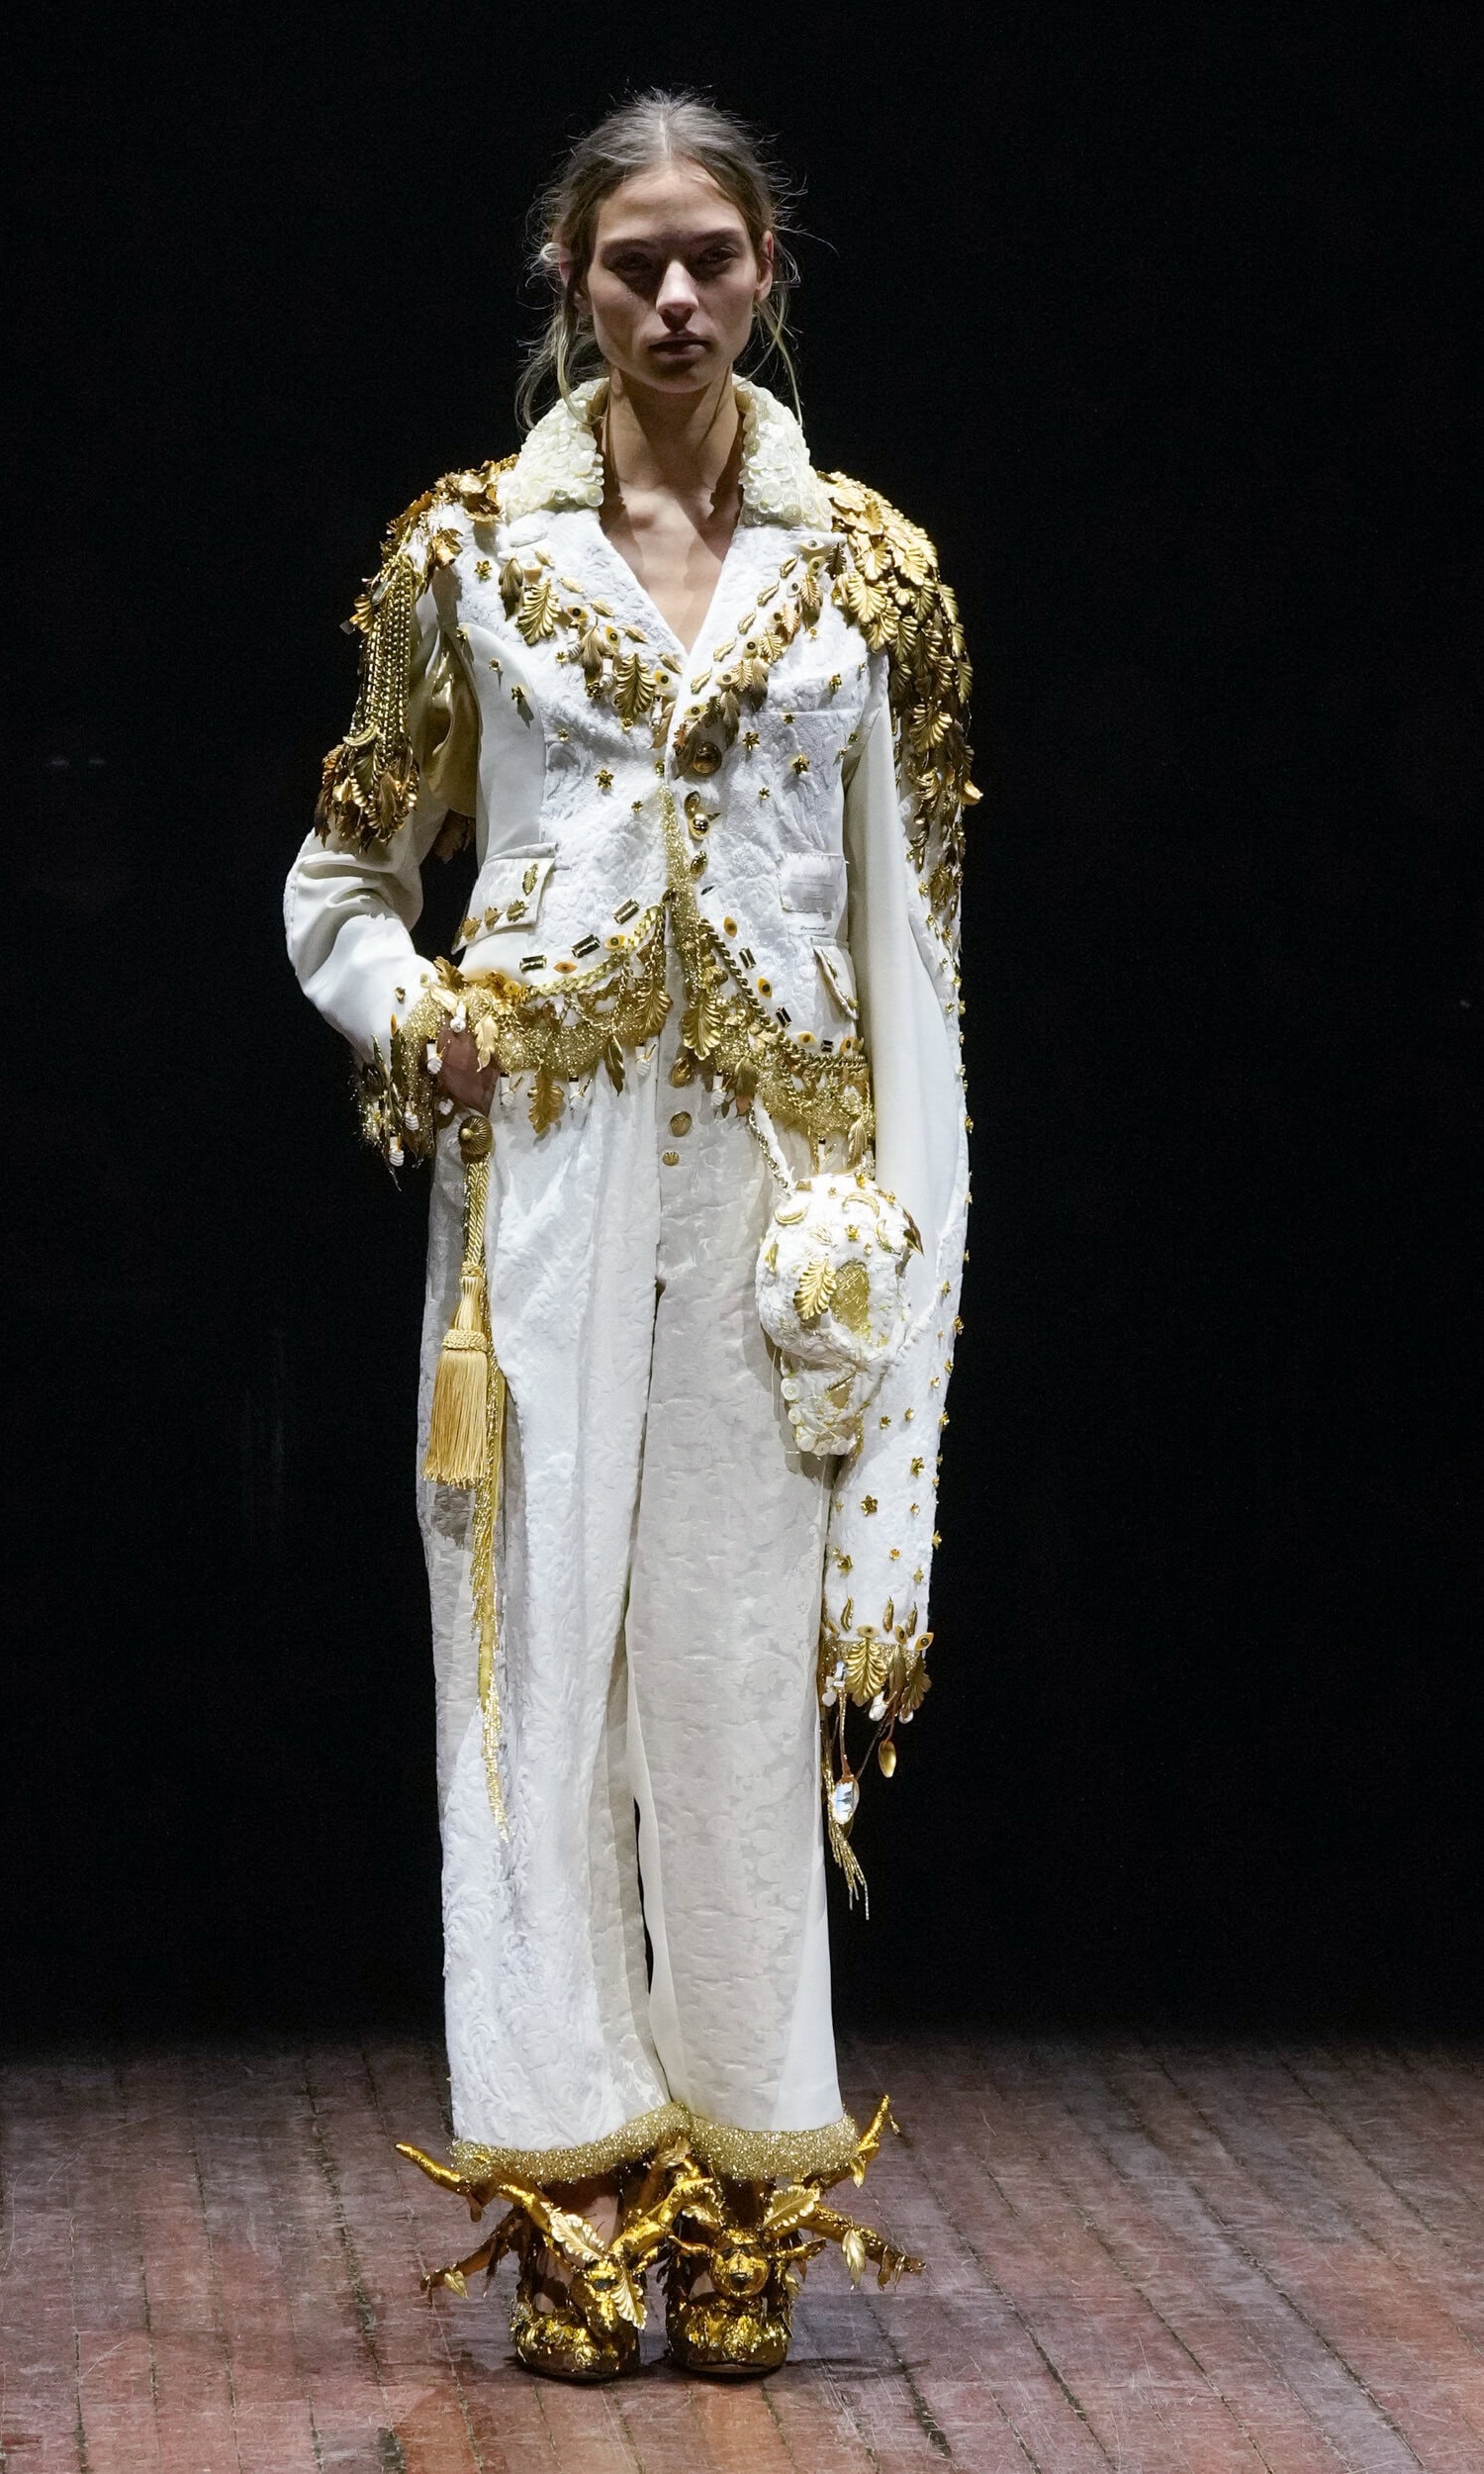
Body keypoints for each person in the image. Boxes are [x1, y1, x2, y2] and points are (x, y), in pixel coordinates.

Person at [284, 89, 977, 2380]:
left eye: (712, 256)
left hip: (775, 1210)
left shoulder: (865, 572)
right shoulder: (470, 554)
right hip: (547, 1193)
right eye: (631, 260)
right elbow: (343, 877)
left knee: (735, 1683)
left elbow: (912, 947)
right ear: (569, 281)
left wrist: (906, 1227)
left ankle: (751, 2176)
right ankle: (571, 2175)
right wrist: (418, 1011)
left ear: (769, 269)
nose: (674, 296)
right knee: (531, 1674)